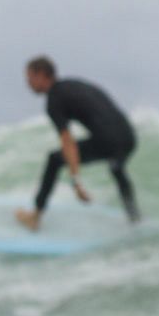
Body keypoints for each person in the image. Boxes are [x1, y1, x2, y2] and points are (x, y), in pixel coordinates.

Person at [15, 55, 141, 230]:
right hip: (128, 136)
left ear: (42, 75)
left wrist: (76, 181)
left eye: (29, 78)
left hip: (107, 140)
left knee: (55, 159)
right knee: (117, 168)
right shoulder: (74, 84)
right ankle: (134, 216)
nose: (28, 83)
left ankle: (35, 216)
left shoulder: (54, 100)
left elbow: (68, 142)